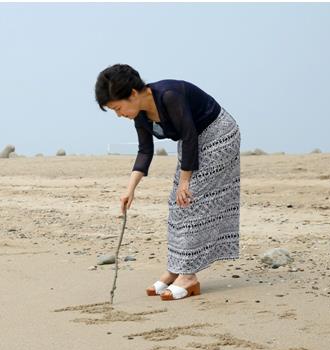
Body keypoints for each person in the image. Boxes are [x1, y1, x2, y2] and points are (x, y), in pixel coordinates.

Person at [94, 64, 240, 301]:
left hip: (218, 134)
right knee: (176, 203)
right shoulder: (140, 114)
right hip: (193, 141)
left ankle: (189, 276)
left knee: (190, 200)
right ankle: (176, 268)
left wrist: (185, 182)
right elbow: (144, 152)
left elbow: (190, 135)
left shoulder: (168, 96)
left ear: (132, 94)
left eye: (118, 108)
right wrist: (129, 191)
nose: (118, 114)